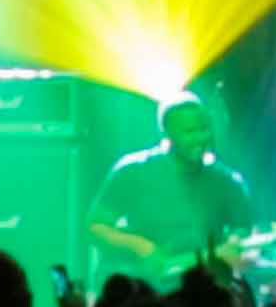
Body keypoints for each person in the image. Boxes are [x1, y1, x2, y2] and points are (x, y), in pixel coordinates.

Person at [89, 93, 257, 290]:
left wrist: (234, 246)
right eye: (189, 131)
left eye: (204, 129)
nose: (200, 138)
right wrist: (141, 247)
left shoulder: (228, 180)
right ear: (166, 134)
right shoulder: (132, 170)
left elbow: (242, 231)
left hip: (203, 290)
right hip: (146, 289)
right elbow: (95, 226)